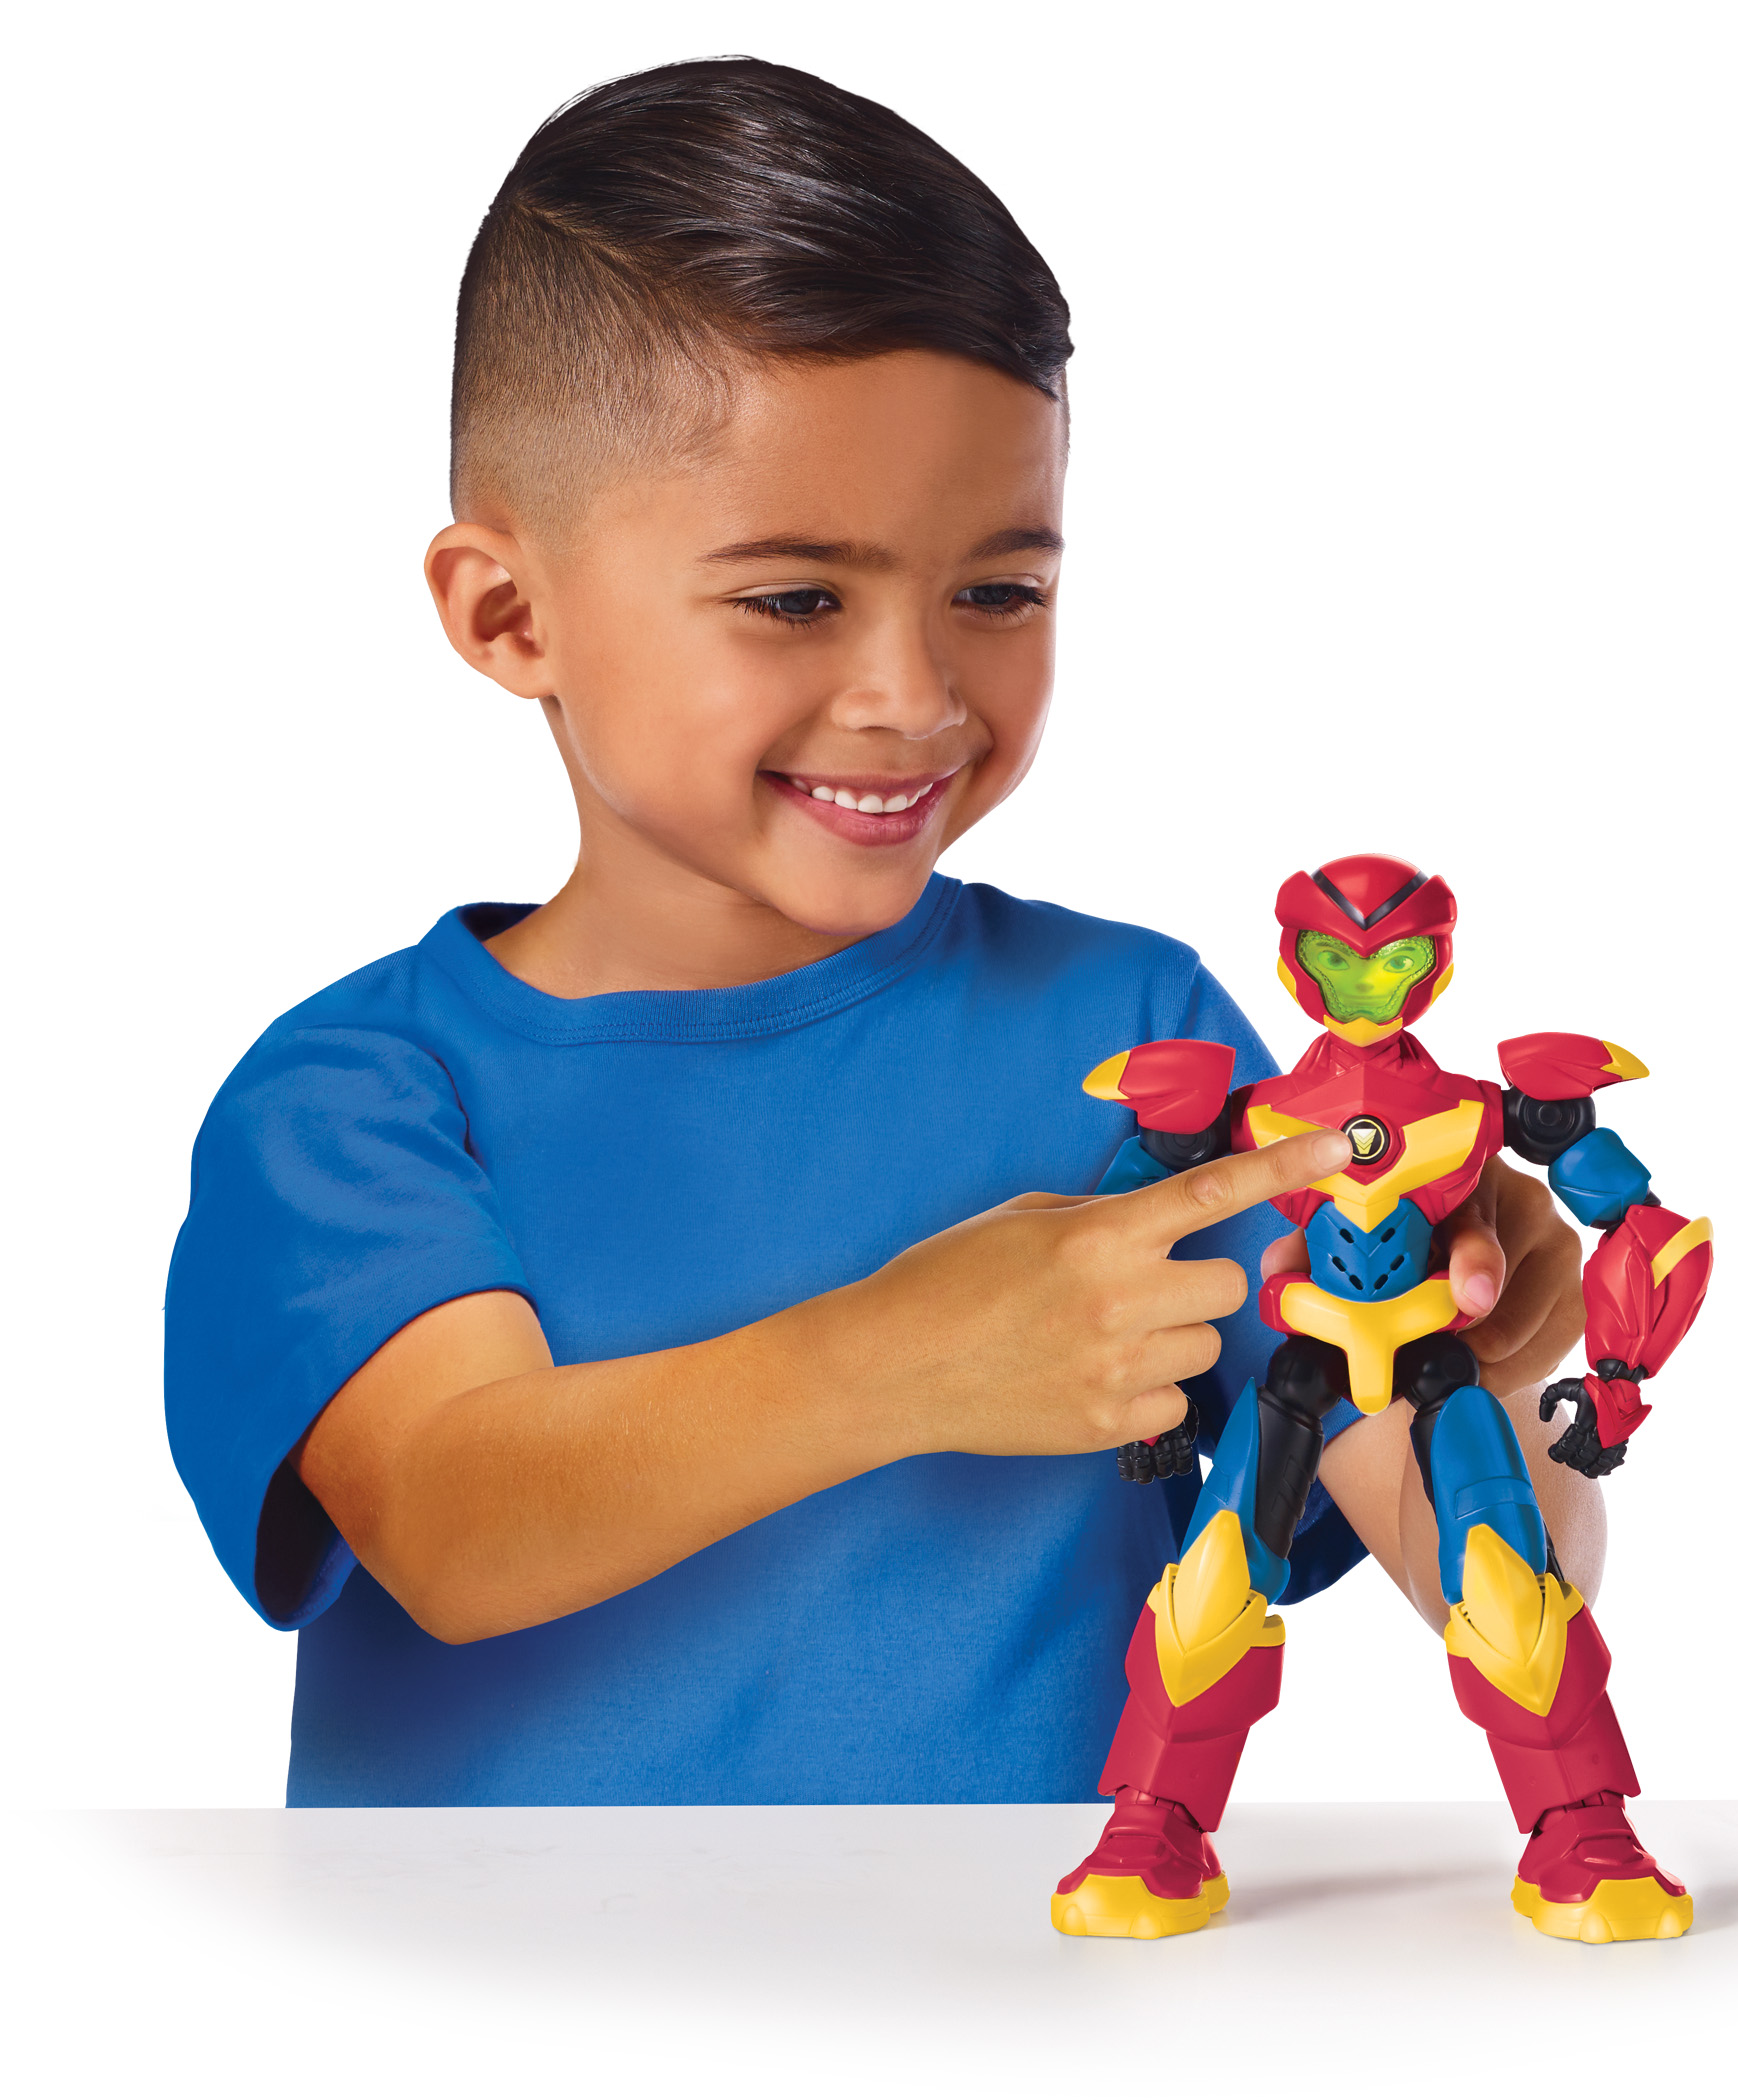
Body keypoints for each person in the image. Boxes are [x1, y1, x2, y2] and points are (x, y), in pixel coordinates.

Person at [165, 57, 1587, 1811]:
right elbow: (456, 1521)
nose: (914, 696)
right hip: (478, 1985)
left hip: (1019, 1981)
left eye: (1000, 589)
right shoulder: (357, 1097)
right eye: (794, 597)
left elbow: (1486, 1583)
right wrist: (906, 1356)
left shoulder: (1143, 1038)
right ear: (511, 612)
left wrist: (1476, 1354)